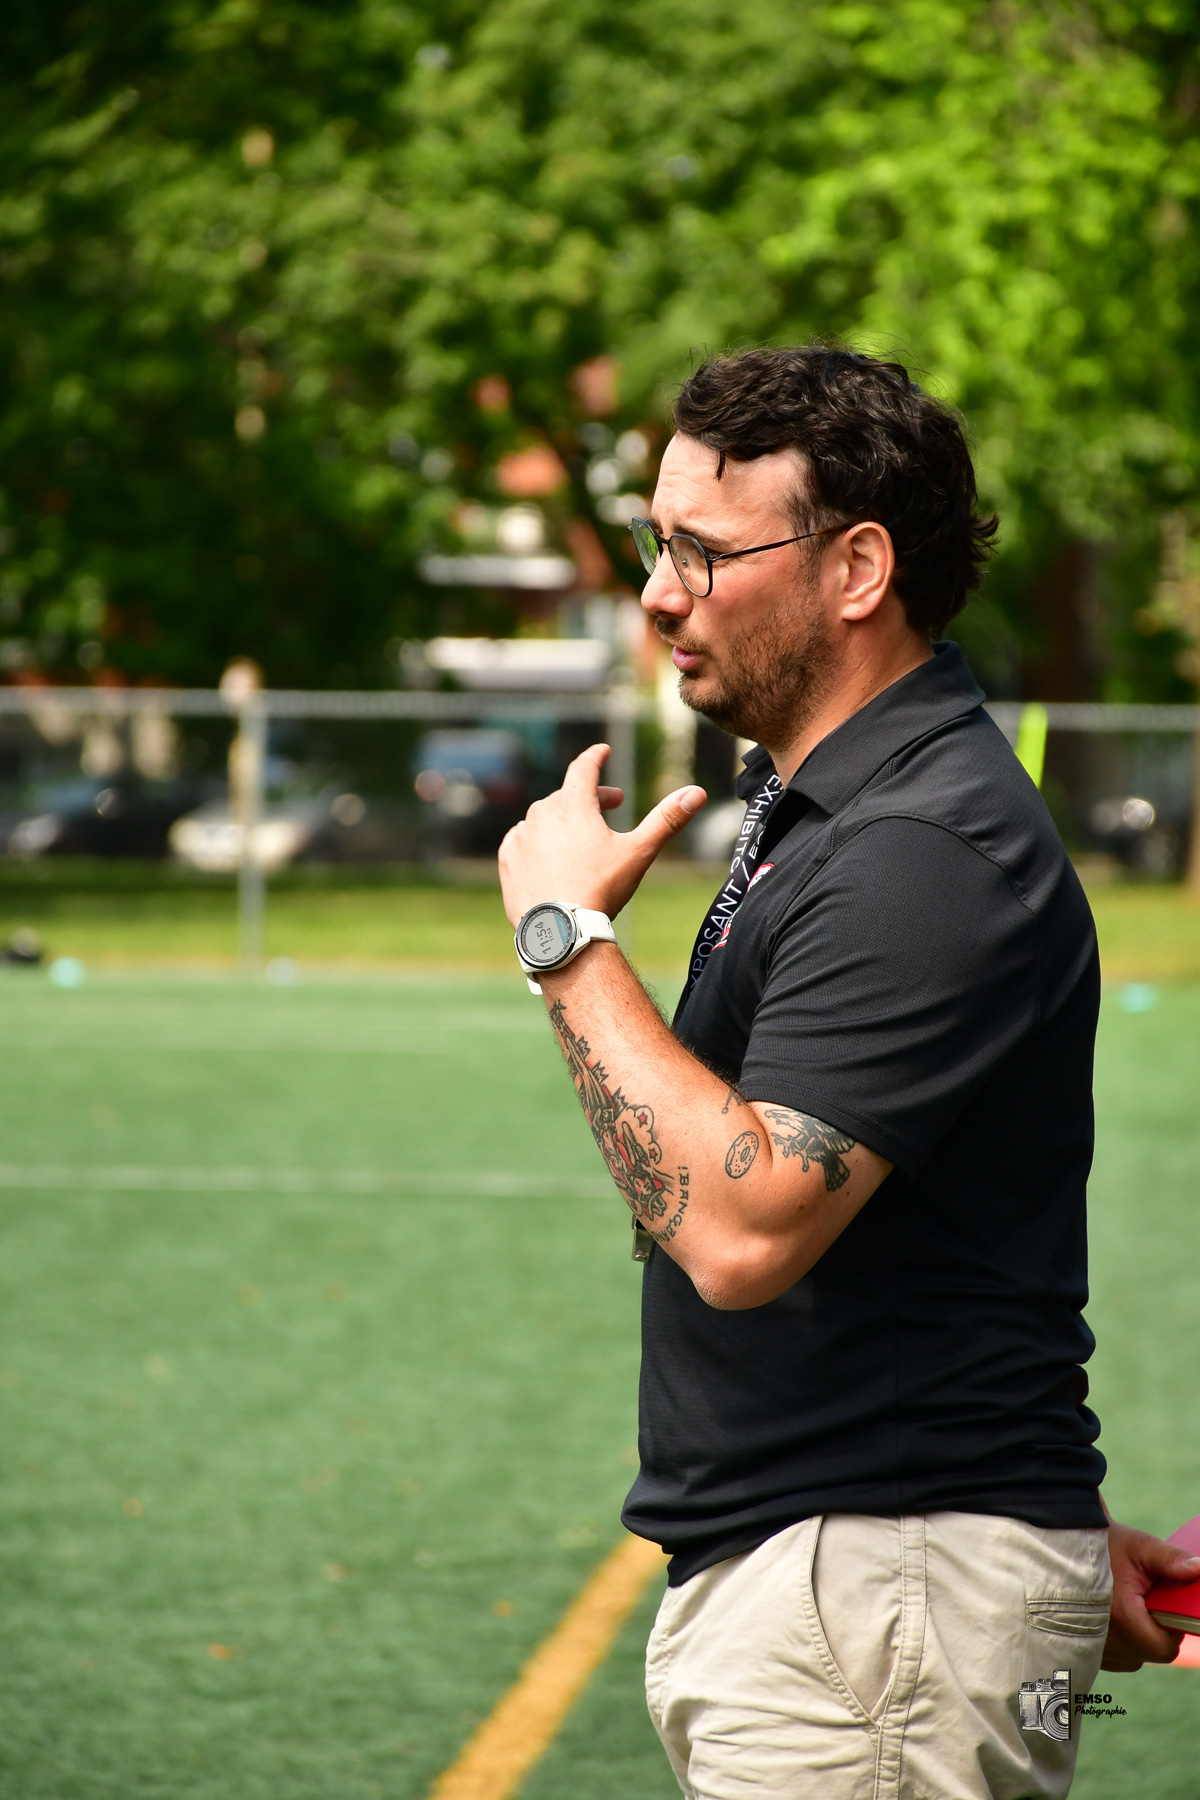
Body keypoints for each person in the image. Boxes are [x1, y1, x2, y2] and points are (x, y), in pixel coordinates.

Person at [497, 346, 1199, 1800]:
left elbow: (749, 1226)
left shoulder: (919, 845)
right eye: (652, 541)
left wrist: (566, 941)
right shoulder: (835, 806)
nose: (656, 591)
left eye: (699, 549)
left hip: (871, 1602)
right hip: (885, 1581)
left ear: (858, 568)